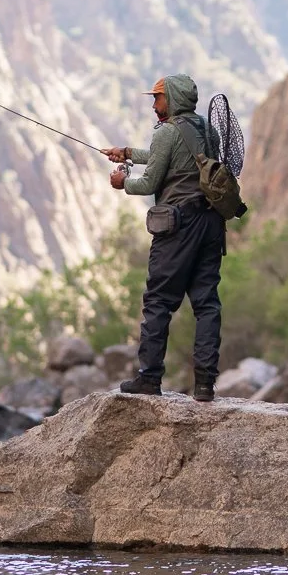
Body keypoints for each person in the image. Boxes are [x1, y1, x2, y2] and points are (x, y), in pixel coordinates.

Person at [101, 75, 223, 401]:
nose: (154, 105)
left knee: (159, 302)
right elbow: (172, 157)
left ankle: (149, 378)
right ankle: (205, 385)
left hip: (178, 227)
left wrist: (121, 182)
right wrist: (126, 152)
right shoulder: (207, 130)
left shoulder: (167, 132)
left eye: (158, 98)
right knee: (206, 304)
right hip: (211, 224)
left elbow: (150, 182)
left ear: (172, 99)